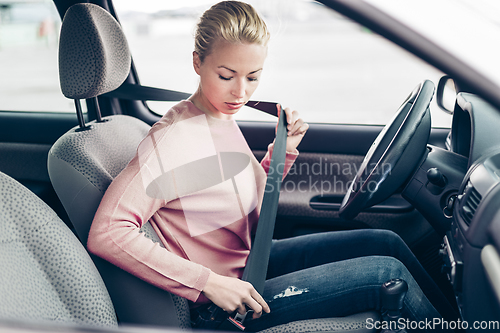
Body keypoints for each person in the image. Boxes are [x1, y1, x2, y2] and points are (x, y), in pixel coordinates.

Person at [87, 1, 457, 331]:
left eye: (253, 77)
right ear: (197, 62)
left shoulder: (218, 118)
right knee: (387, 276)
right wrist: (208, 283)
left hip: (251, 263)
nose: (241, 92)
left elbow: (248, 203)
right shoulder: (172, 141)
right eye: (226, 75)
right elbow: (108, 231)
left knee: (385, 241)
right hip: (224, 304)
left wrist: (286, 150)